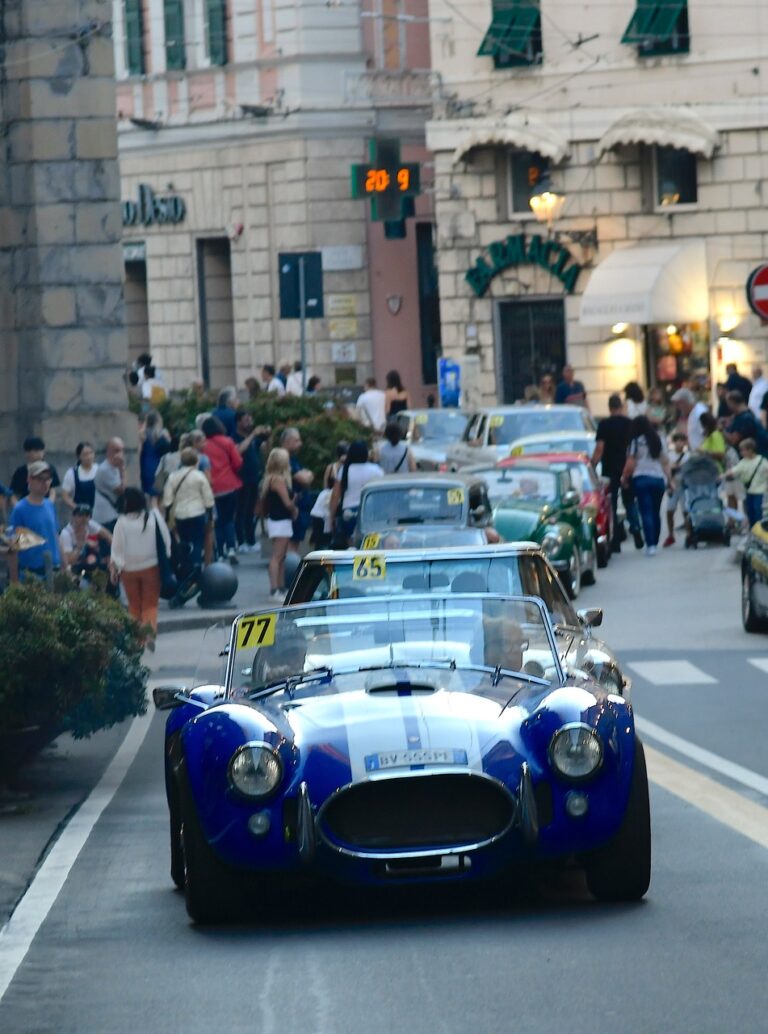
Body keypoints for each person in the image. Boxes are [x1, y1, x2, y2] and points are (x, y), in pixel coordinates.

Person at [109, 486, 172, 648]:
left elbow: (117, 549)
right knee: (150, 605)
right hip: (151, 567)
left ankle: (137, 639)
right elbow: (166, 540)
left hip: (128, 570)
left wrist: (114, 568)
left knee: (134, 606)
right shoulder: (153, 517)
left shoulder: (121, 523)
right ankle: (149, 635)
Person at [591, 393, 641, 551]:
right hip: (626, 466)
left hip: (610, 468)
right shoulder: (630, 423)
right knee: (629, 500)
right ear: (620, 406)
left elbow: (600, 448)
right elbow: (635, 447)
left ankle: (615, 539)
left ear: (609, 407)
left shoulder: (604, 424)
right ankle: (636, 527)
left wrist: (592, 465)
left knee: (611, 503)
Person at [622, 416, 672, 556]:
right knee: (656, 512)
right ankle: (655, 541)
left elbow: (630, 463)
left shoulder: (635, 442)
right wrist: (669, 480)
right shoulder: (658, 439)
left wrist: (625, 477)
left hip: (641, 478)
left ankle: (650, 545)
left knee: (646, 511)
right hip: (658, 479)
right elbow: (665, 462)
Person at [5, 461, 60, 583]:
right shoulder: (20, 509)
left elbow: (56, 535)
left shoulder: (49, 505)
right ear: (29, 479)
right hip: (31, 574)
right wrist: (14, 580)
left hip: (54, 570)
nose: (45, 483)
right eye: (40, 479)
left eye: (48, 479)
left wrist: (65, 566)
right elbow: (13, 547)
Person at [162, 447, 215, 569]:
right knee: (197, 541)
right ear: (196, 460)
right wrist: (210, 515)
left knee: (184, 540)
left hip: (180, 514)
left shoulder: (173, 477)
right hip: (198, 513)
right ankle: (195, 567)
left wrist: (168, 517)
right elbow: (208, 498)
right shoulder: (200, 476)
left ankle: (186, 566)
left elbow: (167, 500)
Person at [201, 416, 243, 562]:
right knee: (229, 519)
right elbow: (237, 462)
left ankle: (220, 551)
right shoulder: (227, 442)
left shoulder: (203, 445)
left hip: (212, 488)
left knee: (217, 521)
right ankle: (231, 548)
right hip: (230, 485)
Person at [329, 441, 384, 548]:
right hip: (370, 510)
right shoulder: (376, 470)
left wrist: (331, 516)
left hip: (348, 511)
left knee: (351, 544)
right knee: (369, 542)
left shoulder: (345, 470)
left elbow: (335, 495)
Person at [261, 448, 298, 601]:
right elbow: (286, 502)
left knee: (281, 556)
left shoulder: (270, 478)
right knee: (277, 556)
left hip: (276, 519)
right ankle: (274, 589)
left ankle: (281, 588)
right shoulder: (278, 480)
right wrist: (294, 507)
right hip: (281, 520)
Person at [233, 409, 269, 552]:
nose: (249, 422)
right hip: (241, 478)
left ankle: (251, 540)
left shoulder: (253, 439)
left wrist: (267, 436)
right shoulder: (234, 437)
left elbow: (265, 450)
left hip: (254, 477)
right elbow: (239, 450)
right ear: (238, 422)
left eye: (250, 419)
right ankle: (241, 541)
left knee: (251, 511)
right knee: (241, 510)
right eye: (246, 420)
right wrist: (253, 434)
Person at [280, 427, 315, 550]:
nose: (300, 444)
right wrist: (306, 476)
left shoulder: (294, 459)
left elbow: (308, 476)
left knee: (296, 543)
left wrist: (307, 475)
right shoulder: (284, 459)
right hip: (293, 508)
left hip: (301, 507)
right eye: (296, 440)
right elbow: (304, 479)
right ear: (287, 441)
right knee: (291, 545)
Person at [59, 503, 112, 581]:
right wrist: (79, 546)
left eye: (87, 515)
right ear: (74, 517)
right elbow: (69, 561)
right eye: (80, 515)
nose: (83, 519)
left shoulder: (89, 524)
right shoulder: (66, 534)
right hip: (71, 566)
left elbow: (108, 535)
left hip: (84, 560)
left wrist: (113, 556)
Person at [724, 438, 768, 528]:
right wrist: (723, 475)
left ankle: (758, 528)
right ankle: (752, 528)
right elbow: (735, 470)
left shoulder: (761, 461)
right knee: (749, 510)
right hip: (749, 491)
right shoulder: (743, 462)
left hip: (759, 490)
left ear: (750, 450)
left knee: (757, 510)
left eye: (743, 450)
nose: (741, 453)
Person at [9, 436, 60, 505]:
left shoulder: (50, 468)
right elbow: (13, 493)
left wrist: (49, 504)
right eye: (31, 451)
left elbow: (52, 490)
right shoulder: (20, 471)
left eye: (39, 450)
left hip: (44, 505)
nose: (35, 454)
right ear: (26, 453)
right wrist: (17, 506)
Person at [92, 437, 126, 533]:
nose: (120, 454)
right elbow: (122, 490)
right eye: (117, 451)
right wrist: (122, 468)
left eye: (122, 450)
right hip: (106, 517)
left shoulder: (114, 468)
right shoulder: (105, 469)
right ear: (109, 452)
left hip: (113, 514)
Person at [662, 431, 688, 548]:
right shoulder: (670, 455)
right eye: (678, 441)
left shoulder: (687, 455)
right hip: (673, 485)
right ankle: (670, 534)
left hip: (683, 485)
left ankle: (689, 533)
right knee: (669, 510)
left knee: (686, 510)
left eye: (682, 441)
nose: (680, 444)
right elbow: (668, 467)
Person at [139, 410, 172, 500]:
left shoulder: (142, 435)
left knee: (149, 493)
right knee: (160, 495)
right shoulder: (162, 435)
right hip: (159, 465)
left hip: (145, 464)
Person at [724, 391, 768, 456]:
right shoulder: (740, 415)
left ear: (732, 403)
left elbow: (733, 440)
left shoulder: (746, 418)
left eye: (728, 403)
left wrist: (721, 430)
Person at [60, 441, 97, 511]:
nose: (89, 457)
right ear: (79, 456)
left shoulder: (99, 470)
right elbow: (65, 496)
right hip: (80, 516)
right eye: (85, 454)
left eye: (91, 453)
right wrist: (77, 508)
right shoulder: (72, 473)